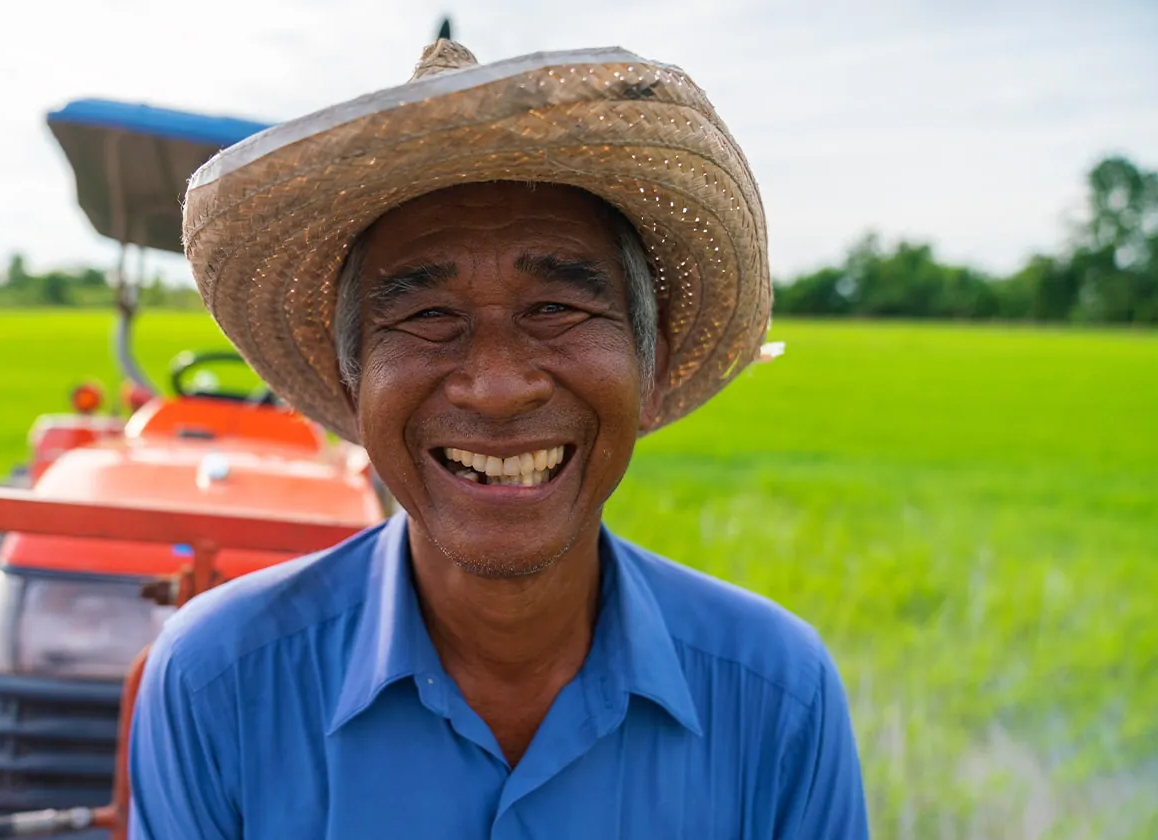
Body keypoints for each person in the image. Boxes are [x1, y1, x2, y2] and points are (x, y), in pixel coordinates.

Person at [128, 37, 869, 839]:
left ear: (650, 371)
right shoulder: (219, 683)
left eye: (556, 309)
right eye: (427, 317)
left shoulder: (777, 694)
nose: (498, 385)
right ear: (352, 387)